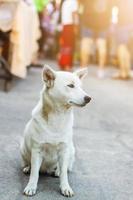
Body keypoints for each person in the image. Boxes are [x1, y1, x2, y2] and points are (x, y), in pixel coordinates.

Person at [80, 0, 113, 78]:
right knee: (102, 45)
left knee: (86, 44)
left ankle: (82, 70)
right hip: (103, 21)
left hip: (88, 19)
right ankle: (101, 70)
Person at [58, 0, 79, 71]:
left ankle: (62, 63)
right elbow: (74, 14)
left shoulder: (65, 2)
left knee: (64, 45)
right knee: (69, 45)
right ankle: (67, 65)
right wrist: (76, 26)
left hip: (64, 25)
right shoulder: (73, 2)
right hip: (70, 25)